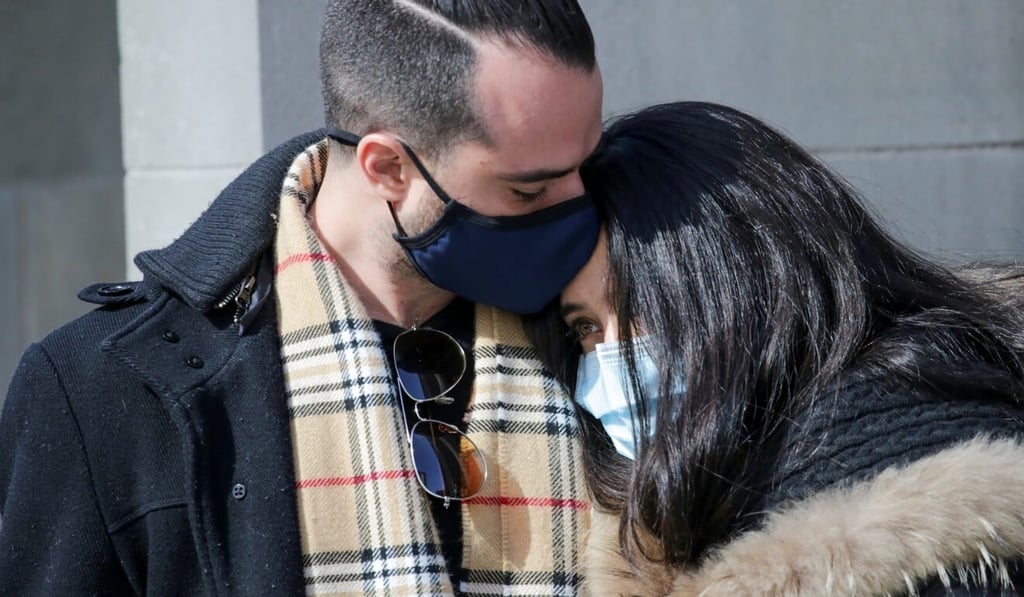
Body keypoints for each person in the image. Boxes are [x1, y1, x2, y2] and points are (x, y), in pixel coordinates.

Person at [0, 1, 604, 595]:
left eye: (587, 166)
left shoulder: (612, 323)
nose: (580, 207)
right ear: (388, 167)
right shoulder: (98, 390)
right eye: (529, 191)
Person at [526, 101, 1024, 595]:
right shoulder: (689, 498)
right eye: (585, 327)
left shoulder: (949, 532)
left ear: (749, 279)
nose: (613, 354)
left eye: (639, 305)